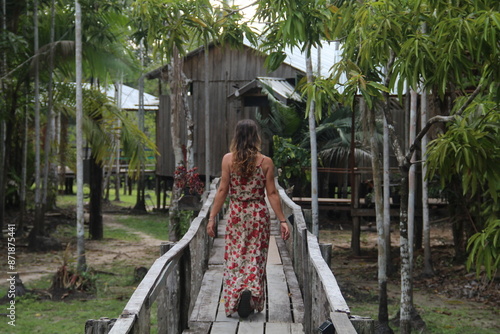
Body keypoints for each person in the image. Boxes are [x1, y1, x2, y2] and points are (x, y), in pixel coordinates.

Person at [207, 119, 290, 318]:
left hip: (236, 213)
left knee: (235, 256)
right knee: (256, 256)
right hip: (258, 214)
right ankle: (252, 293)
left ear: (237, 136)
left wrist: (212, 218)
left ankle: (236, 294)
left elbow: (222, 190)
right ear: (256, 137)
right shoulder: (266, 162)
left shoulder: (228, 159)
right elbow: (272, 193)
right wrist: (282, 220)